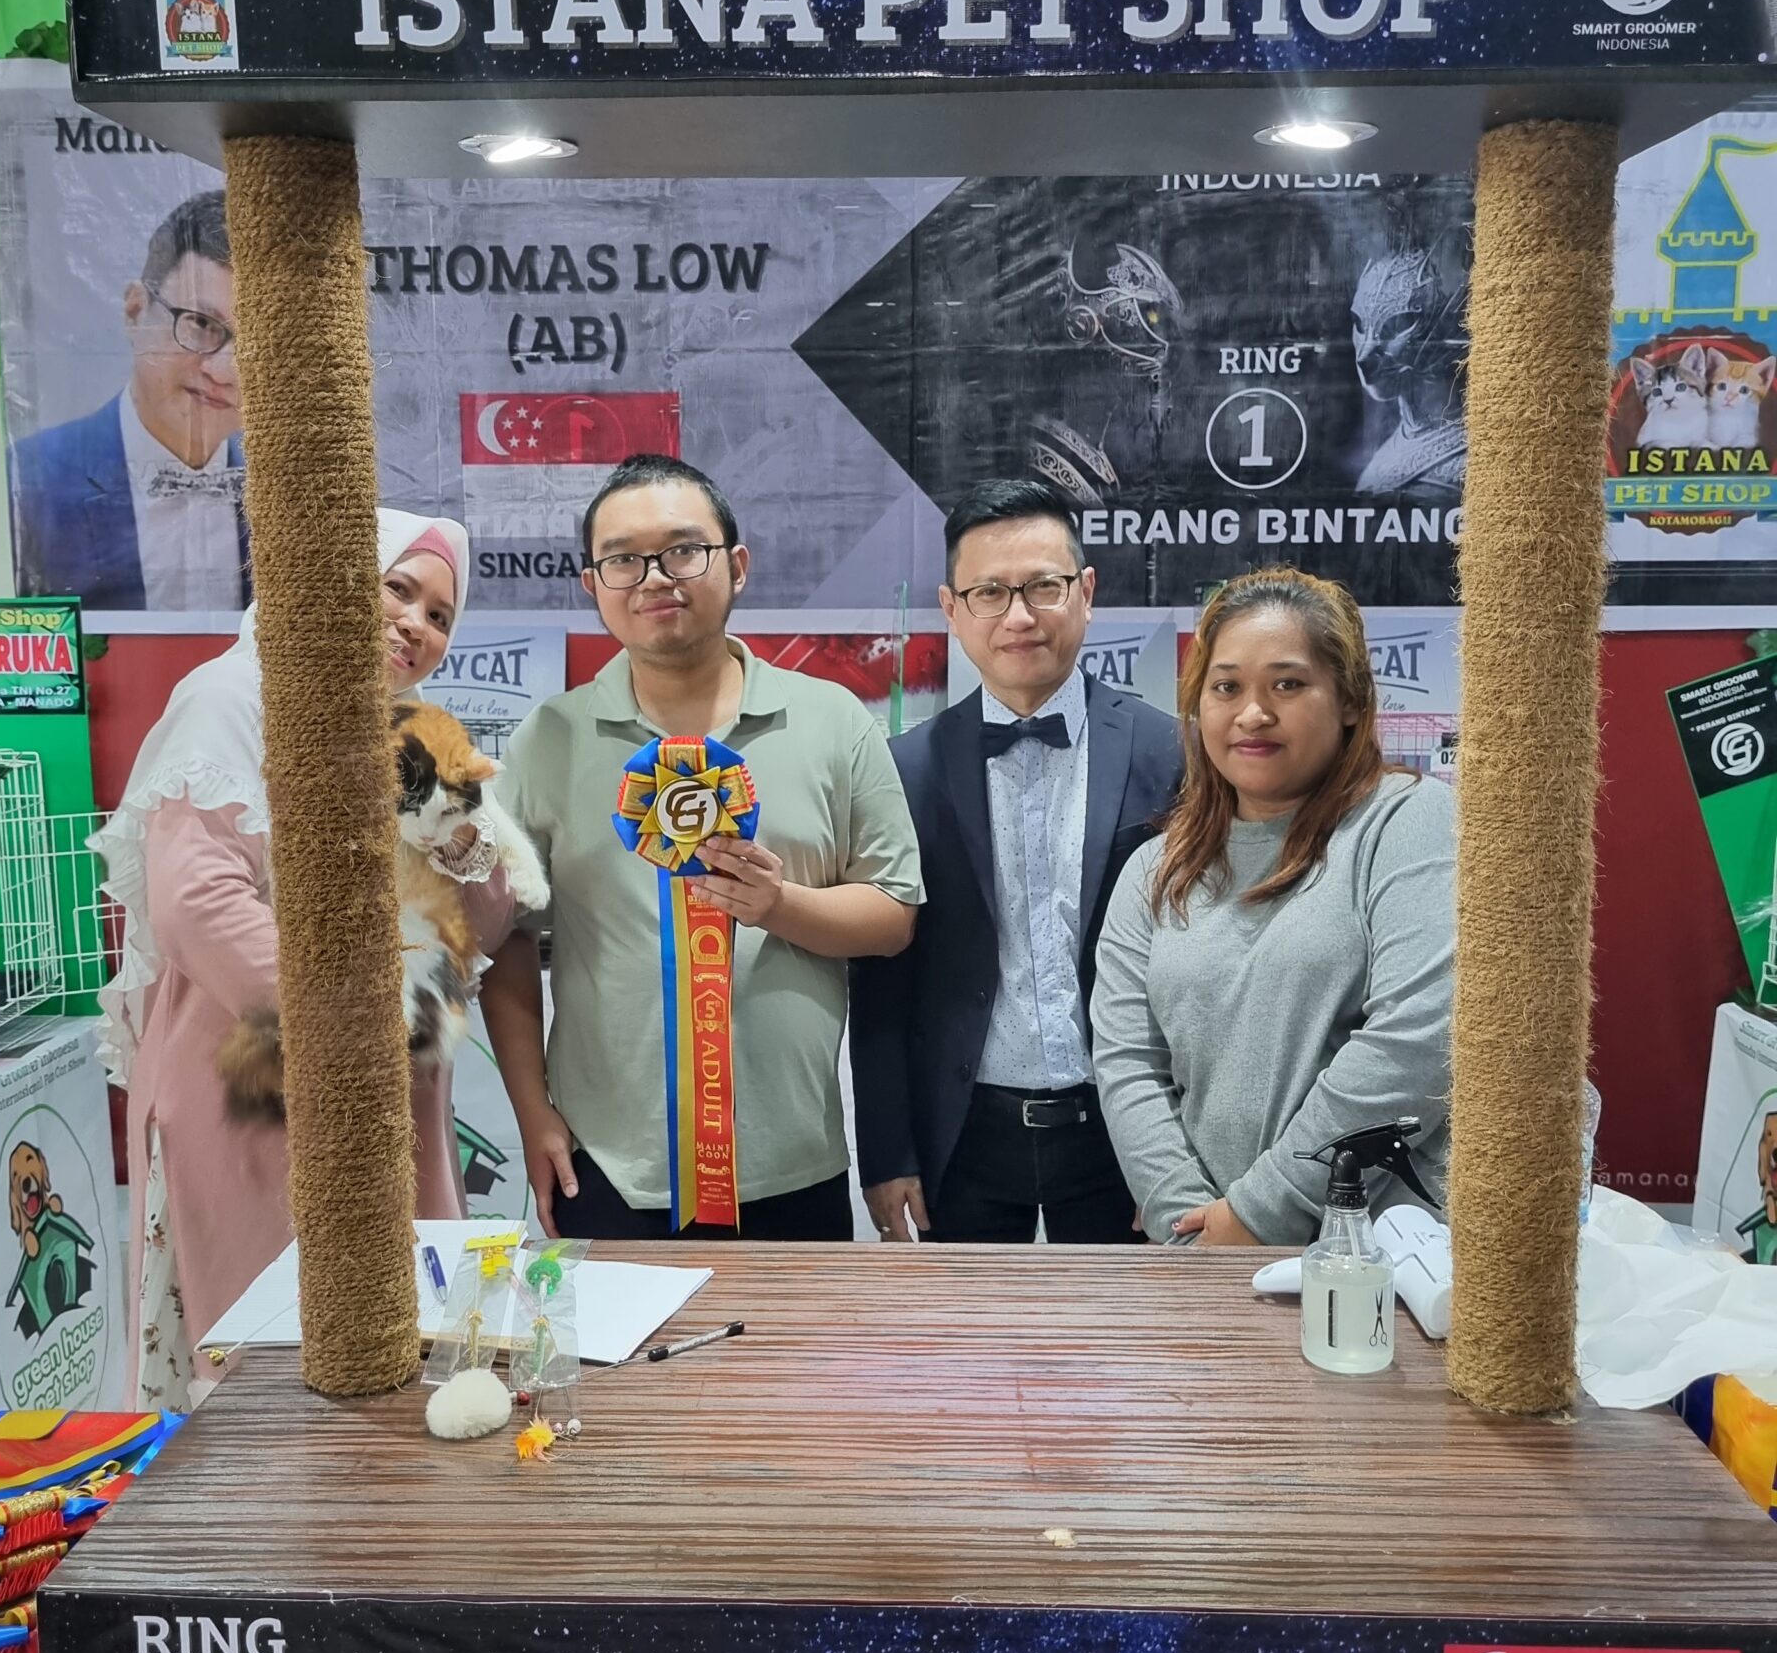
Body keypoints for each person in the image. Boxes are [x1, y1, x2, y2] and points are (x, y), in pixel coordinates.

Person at [94, 510, 517, 1402]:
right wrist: (367, 1021)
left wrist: (464, 838)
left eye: (440, 614)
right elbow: (197, 905)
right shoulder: (232, 699)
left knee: (391, 1351)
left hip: (388, 1089)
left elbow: (486, 921)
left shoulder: (412, 732)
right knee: (266, 1371)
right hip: (251, 1084)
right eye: (398, 588)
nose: (417, 624)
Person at [488, 455, 922, 1241]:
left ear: (737, 565)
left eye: (684, 550)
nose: (655, 577)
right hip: (607, 1165)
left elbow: (894, 916)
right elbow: (504, 937)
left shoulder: (833, 721)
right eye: (623, 559)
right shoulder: (547, 740)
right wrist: (530, 1110)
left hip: (793, 1164)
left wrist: (780, 905)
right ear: (593, 584)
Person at [848, 478, 1181, 1244]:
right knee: (964, 1326)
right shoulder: (905, 770)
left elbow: (1205, 977)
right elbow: (882, 981)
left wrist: (1174, 1155)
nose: (1020, 616)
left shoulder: (1173, 753)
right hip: (962, 1132)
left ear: (1086, 592)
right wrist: (888, 1153)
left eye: (1043, 587)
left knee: (1125, 1324)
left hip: (1128, 1128)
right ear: (952, 608)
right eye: (990, 592)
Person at [1092, 566, 1454, 1248]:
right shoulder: (1155, 869)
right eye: (1226, 687)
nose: (1253, 713)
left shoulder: (1410, 820)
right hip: (1201, 1255)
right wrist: (1188, 1223)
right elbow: (1128, 1061)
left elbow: (1417, 1041)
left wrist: (1258, 1214)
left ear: (1350, 700)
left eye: (1287, 684)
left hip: (1374, 1259)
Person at [9, 190, 248, 613]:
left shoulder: (292, 501)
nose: (224, 371)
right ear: (135, 310)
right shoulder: (24, 482)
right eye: (200, 323)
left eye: (259, 343)